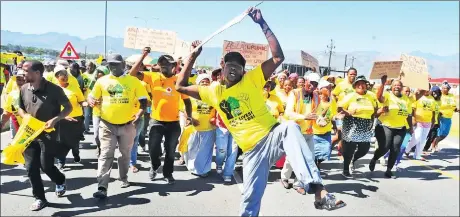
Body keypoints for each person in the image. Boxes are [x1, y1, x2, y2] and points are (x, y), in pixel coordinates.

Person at [176, 8, 345, 216]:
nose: (233, 71)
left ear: (244, 71)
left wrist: (262, 24)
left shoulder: (252, 79)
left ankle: (318, 190)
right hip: (251, 152)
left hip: (272, 136)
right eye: (230, 67)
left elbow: (277, 57)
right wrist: (192, 57)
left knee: (290, 127)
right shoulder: (213, 91)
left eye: (238, 69)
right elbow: (180, 87)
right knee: (250, 198)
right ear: (222, 65)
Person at [88, 54, 148, 199]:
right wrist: (91, 100)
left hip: (128, 125)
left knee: (124, 155)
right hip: (107, 124)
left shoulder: (133, 81)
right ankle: (102, 186)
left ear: (123, 64)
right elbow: (92, 96)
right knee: (106, 154)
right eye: (110, 64)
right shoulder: (102, 81)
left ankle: (123, 177)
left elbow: (144, 101)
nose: (113, 67)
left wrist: (139, 114)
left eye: (115, 64)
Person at [17, 60, 70, 211]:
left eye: (26, 70)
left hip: (48, 134)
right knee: (31, 167)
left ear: (38, 73)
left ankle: (60, 179)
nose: (22, 73)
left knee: (46, 166)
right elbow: (20, 108)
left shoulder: (54, 90)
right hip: (29, 134)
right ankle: (40, 198)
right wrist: (25, 116)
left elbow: (68, 107)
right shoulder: (24, 88)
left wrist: (55, 119)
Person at [282, 72, 320, 194]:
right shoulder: (295, 93)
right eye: (311, 83)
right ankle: (284, 177)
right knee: (292, 158)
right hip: (295, 131)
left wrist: (320, 120)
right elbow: (288, 113)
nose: (313, 86)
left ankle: (299, 183)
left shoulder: (316, 96)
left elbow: (316, 114)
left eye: (315, 84)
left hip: (309, 132)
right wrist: (304, 117)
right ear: (305, 81)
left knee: (309, 158)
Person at [369, 76, 413, 178]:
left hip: (400, 128)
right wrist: (383, 84)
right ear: (392, 87)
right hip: (386, 126)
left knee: (395, 148)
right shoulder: (388, 95)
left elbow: (409, 115)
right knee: (385, 147)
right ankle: (375, 158)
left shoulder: (406, 99)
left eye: (399, 85)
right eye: (395, 85)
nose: (397, 87)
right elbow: (379, 97)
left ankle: (389, 169)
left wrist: (410, 127)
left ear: (402, 87)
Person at [337, 75, 377, 178]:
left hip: (366, 124)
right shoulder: (351, 95)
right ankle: (346, 169)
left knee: (365, 148)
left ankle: (353, 159)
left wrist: (373, 120)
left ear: (366, 85)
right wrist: (348, 112)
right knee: (350, 148)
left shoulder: (371, 96)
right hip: (352, 122)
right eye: (358, 84)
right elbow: (339, 108)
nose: (361, 85)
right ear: (355, 86)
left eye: (363, 83)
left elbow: (375, 109)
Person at [184, 73, 217, 177]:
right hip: (194, 128)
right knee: (192, 148)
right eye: (203, 82)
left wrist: (215, 119)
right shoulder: (191, 95)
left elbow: (218, 110)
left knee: (206, 151)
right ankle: (192, 167)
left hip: (209, 128)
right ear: (198, 83)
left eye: (207, 82)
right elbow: (185, 110)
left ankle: (203, 170)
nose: (205, 83)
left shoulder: (213, 96)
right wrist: (191, 119)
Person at [54, 67, 87, 169]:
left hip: (76, 118)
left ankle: (76, 153)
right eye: (62, 78)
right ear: (57, 78)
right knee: (61, 141)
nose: (65, 79)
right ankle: (61, 160)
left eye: (66, 77)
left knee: (74, 140)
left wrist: (86, 103)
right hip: (61, 118)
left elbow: (81, 100)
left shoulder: (74, 88)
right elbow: (52, 105)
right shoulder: (54, 89)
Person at [404, 85, 435, 161]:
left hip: (428, 122)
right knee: (417, 138)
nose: (426, 90)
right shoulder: (418, 97)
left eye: (428, 89)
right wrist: (413, 119)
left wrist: (433, 120)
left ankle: (417, 155)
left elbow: (433, 111)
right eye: (425, 89)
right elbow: (413, 109)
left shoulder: (432, 99)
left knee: (423, 140)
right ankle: (406, 150)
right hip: (418, 121)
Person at [130, 71, 152, 173]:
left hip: (137, 119)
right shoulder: (121, 87)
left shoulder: (141, 86)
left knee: (134, 141)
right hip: (120, 120)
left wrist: (143, 100)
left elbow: (148, 102)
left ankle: (132, 163)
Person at [313, 79, 336, 170]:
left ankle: (318, 162)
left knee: (326, 152)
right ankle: (315, 167)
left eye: (330, 88)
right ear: (320, 89)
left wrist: (335, 125)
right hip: (314, 132)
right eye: (327, 88)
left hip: (326, 132)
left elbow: (333, 114)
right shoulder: (315, 100)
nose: (329, 90)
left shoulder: (332, 101)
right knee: (314, 153)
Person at [430, 82, 458, 152]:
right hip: (441, 117)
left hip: (449, 117)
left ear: (449, 89)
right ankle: (433, 146)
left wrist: (457, 110)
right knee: (439, 133)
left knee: (445, 134)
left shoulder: (451, 96)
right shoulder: (439, 96)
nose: (445, 89)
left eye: (446, 88)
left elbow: (454, 107)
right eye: (443, 88)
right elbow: (435, 104)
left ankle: (436, 143)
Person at [89, 66, 110, 157]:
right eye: (98, 77)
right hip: (97, 112)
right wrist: (91, 101)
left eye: (102, 76)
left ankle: (105, 152)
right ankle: (99, 146)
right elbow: (90, 96)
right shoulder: (94, 84)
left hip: (108, 113)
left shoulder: (110, 84)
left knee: (106, 136)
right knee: (96, 135)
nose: (99, 78)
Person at [0, 69, 26, 133]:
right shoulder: (12, 95)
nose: (21, 82)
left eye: (24, 80)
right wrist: (2, 123)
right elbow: (7, 112)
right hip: (22, 130)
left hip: (38, 131)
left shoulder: (37, 93)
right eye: (19, 79)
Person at [423, 86, 442, 153]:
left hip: (435, 122)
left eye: (437, 92)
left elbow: (438, 112)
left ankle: (425, 149)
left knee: (432, 136)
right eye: (433, 92)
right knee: (424, 136)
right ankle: (415, 147)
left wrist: (439, 122)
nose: (435, 93)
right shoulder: (429, 99)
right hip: (427, 121)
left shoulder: (440, 101)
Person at [82, 61, 97, 134]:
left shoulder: (96, 75)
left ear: (93, 67)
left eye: (90, 66)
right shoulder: (83, 75)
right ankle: (86, 129)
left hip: (95, 98)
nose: (89, 67)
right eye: (87, 66)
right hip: (86, 98)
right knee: (87, 115)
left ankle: (96, 130)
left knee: (95, 115)